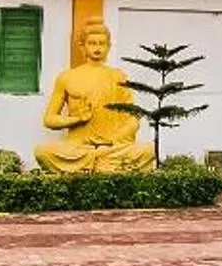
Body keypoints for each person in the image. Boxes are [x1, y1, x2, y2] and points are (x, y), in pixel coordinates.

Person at [35, 19, 153, 173]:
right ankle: (101, 163)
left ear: (108, 46)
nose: (97, 48)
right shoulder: (67, 77)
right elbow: (49, 119)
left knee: (148, 150)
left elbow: (133, 117)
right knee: (42, 152)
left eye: (101, 43)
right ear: (82, 46)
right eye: (92, 43)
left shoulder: (118, 76)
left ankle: (97, 161)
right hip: (79, 147)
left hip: (111, 147)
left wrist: (116, 138)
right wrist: (76, 119)